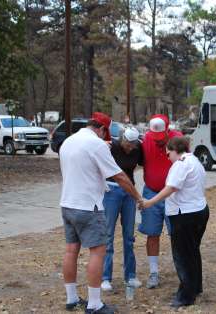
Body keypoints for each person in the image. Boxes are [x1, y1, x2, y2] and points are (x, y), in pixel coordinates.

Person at [59, 112, 142, 314]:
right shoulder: (95, 144)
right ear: (103, 129)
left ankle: (71, 298)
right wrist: (138, 198)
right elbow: (120, 176)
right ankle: (95, 304)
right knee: (98, 251)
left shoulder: (68, 142)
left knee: (71, 251)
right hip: (89, 206)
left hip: (67, 203)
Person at [140, 137, 209, 309]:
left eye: (168, 153)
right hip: (199, 211)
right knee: (192, 251)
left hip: (184, 215)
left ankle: (186, 295)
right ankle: (195, 287)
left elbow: (171, 188)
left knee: (183, 255)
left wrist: (149, 202)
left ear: (175, 149)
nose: (167, 156)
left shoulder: (181, 164)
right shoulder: (195, 161)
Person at [139, 114, 182, 289]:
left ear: (168, 129)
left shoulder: (178, 140)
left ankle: (183, 272)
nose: (157, 141)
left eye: (160, 137)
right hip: (151, 192)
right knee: (152, 234)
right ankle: (154, 272)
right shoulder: (146, 139)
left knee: (177, 235)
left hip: (174, 195)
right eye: (153, 136)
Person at [101, 127, 143, 293]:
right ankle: (105, 277)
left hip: (129, 191)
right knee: (108, 234)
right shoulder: (112, 147)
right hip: (111, 190)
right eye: (128, 143)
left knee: (129, 236)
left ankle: (130, 275)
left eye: (133, 145)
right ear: (122, 139)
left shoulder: (137, 149)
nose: (130, 147)